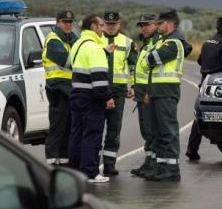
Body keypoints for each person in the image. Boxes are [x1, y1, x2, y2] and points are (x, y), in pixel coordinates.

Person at [140, 9, 192, 181]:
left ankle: (172, 169)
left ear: (170, 24)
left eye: (160, 23)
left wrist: (150, 57)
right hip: (157, 90)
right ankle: (161, 168)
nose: (157, 26)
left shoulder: (174, 43)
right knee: (158, 132)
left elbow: (150, 59)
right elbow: (147, 63)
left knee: (168, 131)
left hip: (167, 91)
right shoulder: (163, 41)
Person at [68, 14, 115, 184]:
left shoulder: (78, 44)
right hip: (91, 99)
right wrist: (107, 97)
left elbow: (70, 65)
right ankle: (90, 172)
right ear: (93, 27)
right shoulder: (95, 48)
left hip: (76, 95)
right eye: (101, 25)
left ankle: (75, 171)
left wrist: (104, 51)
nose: (104, 28)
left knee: (76, 135)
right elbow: (100, 80)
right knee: (92, 135)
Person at [185, 16, 222, 161]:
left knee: (200, 116)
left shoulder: (208, 41)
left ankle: (191, 149)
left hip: (205, 82)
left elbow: (199, 61)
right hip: (219, 84)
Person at [99, 11, 137, 176]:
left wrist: (133, 85)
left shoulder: (127, 42)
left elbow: (134, 66)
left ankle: (109, 164)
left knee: (114, 129)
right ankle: (93, 163)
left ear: (119, 24)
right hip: (98, 90)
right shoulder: (96, 40)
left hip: (118, 91)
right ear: (103, 24)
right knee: (96, 127)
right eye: (108, 24)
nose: (111, 27)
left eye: (113, 24)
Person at [42, 10, 79, 165]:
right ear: (57, 23)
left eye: (70, 22)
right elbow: (68, 61)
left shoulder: (71, 39)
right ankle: (51, 162)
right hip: (57, 88)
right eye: (64, 22)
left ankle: (64, 161)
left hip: (70, 88)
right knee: (57, 127)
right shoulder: (53, 40)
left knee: (68, 126)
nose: (68, 25)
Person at [130, 13, 160, 177]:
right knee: (146, 131)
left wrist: (149, 91)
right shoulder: (146, 43)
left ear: (156, 25)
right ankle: (148, 162)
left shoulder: (157, 42)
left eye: (147, 24)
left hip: (149, 95)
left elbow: (154, 71)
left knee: (151, 131)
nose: (144, 28)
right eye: (142, 25)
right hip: (141, 95)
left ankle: (153, 165)